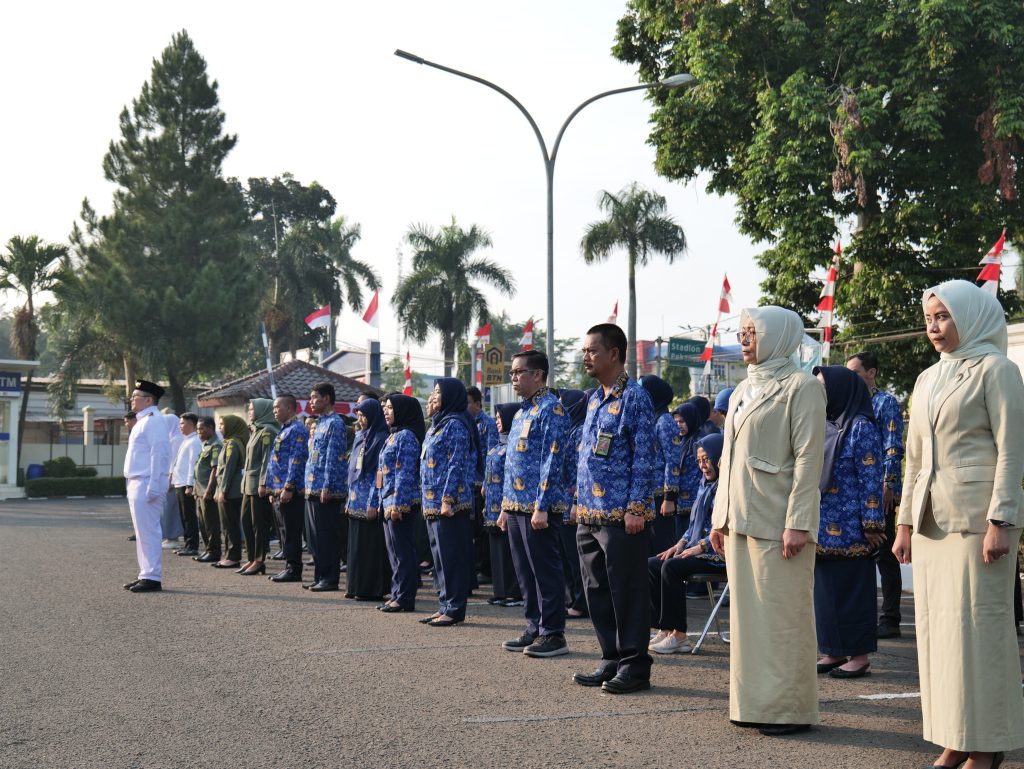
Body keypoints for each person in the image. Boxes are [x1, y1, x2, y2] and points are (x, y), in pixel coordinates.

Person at [892, 280, 1024, 769]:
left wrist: (1001, 520)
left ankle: (987, 745)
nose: (934, 327)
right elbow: (914, 459)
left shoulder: (998, 370)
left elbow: (1012, 450)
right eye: (929, 318)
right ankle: (955, 736)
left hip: (975, 523)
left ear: (969, 316)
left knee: (980, 635)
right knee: (940, 638)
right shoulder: (928, 378)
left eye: (943, 316)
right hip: (931, 525)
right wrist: (904, 523)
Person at [709, 306, 825, 737]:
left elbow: (809, 458)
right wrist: (719, 518)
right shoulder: (742, 390)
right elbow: (728, 459)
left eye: (751, 332)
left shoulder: (802, 386)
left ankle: (789, 710)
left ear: (776, 335)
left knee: (783, 618)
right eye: (740, 332)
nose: (743, 340)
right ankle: (753, 704)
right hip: (739, 518)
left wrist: (796, 521)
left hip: (780, 522)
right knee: (748, 620)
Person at [572, 323, 657, 694]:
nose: (586, 356)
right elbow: (588, 455)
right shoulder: (594, 398)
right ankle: (610, 658)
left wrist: (637, 507)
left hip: (622, 517)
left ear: (615, 354)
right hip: (590, 514)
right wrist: (578, 501)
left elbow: (644, 458)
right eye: (585, 350)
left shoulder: (636, 398)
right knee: (597, 589)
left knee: (628, 591)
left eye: (593, 350)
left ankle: (635, 665)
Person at [812, 365, 884, 679]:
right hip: (823, 527)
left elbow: (871, 478)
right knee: (826, 593)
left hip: (854, 529)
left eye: (822, 388)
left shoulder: (860, 427)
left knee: (853, 592)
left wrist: (872, 524)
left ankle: (859, 654)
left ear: (841, 390)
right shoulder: (825, 425)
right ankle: (834, 649)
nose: (818, 394)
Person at [498, 350, 570, 658]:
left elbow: (552, 461)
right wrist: (504, 505)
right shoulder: (520, 413)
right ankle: (534, 627)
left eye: (519, 372)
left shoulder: (551, 410)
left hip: (538, 507)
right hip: (515, 505)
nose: (513, 377)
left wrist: (542, 505)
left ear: (538, 374)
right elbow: (513, 462)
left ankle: (553, 633)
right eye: (512, 372)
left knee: (545, 571)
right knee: (525, 572)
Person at [845, 350, 906, 639]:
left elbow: (893, 447)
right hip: (854, 493)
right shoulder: (850, 403)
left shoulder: (886, 403)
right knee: (858, 555)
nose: (851, 378)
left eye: (856, 373)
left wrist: (888, 485)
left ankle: (890, 618)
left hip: (879, 492)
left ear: (872, 373)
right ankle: (862, 615)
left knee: (885, 554)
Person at [649, 433, 726, 654]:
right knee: (653, 564)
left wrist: (700, 546)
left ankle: (680, 635)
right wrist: (679, 545)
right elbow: (693, 525)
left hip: (717, 554)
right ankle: (665, 629)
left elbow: (723, 528)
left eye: (707, 459)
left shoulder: (727, 487)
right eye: (700, 461)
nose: (703, 465)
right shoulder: (704, 485)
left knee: (671, 567)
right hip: (698, 550)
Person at [419, 377, 479, 627]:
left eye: (437, 392)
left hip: (449, 504)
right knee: (440, 558)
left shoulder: (455, 425)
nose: (433, 397)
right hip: (432, 502)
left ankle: (454, 608)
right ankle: (444, 604)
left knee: (452, 558)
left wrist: (448, 499)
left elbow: (456, 464)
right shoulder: (437, 425)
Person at [372, 393, 425, 612]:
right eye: (385, 408)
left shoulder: (406, 437)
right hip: (387, 500)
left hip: (400, 503)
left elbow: (404, 473)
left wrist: (396, 503)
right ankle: (396, 594)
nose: (385, 411)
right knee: (393, 552)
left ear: (403, 411)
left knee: (403, 553)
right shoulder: (393, 435)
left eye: (391, 408)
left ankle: (404, 597)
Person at [122, 380, 172, 592]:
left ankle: (152, 577)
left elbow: (159, 454)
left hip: (146, 482)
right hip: (136, 481)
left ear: (149, 400)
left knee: (149, 532)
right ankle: (145, 573)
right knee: (142, 533)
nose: (132, 399)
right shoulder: (143, 421)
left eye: (136, 396)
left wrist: (155, 486)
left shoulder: (154, 421)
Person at [304, 382, 348, 592]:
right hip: (312, 486)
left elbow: (333, 458)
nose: (311, 402)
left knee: (326, 535)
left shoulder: (335, 424)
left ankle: (330, 578)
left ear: (327, 399)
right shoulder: (320, 423)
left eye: (314, 397)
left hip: (325, 488)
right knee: (314, 536)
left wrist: (327, 486)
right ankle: (319, 575)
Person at [346, 397, 391, 601]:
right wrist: (349, 500)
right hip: (355, 498)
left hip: (370, 500)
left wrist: (374, 502)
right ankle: (355, 586)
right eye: (359, 415)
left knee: (370, 547)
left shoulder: (381, 437)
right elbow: (352, 471)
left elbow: (378, 473)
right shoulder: (359, 437)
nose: (360, 419)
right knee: (355, 546)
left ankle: (371, 589)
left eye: (363, 415)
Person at [483, 402, 524, 608]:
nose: (497, 421)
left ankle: (514, 592)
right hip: (491, 505)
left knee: (510, 550)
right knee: (497, 549)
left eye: (500, 417)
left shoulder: (513, 445)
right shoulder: (498, 444)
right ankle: (500, 590)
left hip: (506, 504)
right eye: (496, 417)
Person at [265, 395, 308, 583]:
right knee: (283, 529)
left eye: (278, 407)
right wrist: (272, 489)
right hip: (278, 488)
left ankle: (294, 568)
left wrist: (289, 487)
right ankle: (288, 565)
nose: (275, 411)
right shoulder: (284, 430)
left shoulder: (297, 430)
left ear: (290, 408)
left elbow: (296, 460)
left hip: (290, 490)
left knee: (291, 530)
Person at [237, 398, 278, 576]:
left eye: (253, 409)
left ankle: (259, 560)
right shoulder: (256, 430)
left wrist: (263, 483)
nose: (250, 412)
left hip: (258, 485)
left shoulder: (267, 431)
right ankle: (252, 558)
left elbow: (267, 459)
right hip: (248, 484)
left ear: (262, 411)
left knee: (259, 524)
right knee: (246, 521)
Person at [640, 375, 682, 554]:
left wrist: (669, 498)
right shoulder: (651, 419)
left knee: (662, 547)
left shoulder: (665, 421)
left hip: (661, 498)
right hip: (649, 496)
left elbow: (672, 460)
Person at [558, 388, 588, 618]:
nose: (559, 405)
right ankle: (571, 599)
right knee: (566, 554)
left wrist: (576, 501)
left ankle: (581, 602)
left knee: (576, 556)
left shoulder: (581, 432)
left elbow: (581, 471)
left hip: (574, 502)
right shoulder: (568, 430)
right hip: (562, 502)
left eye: (562, 402)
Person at [468, 385, 498, 585]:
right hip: (468, 483)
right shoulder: (464, 422)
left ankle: (484, 569)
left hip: (481, 484)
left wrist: (487, 482)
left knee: (481, 529)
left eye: (467, 403)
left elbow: (491, 454)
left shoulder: (487, 424)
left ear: (478, 404)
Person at [213, 414, 248, 569]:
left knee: (230, 524)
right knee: (226, 524)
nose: (220, 428)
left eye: (222, 425)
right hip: (228, 489)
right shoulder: (229, 442)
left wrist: (223, 490)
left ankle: (233, 557)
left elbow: (228, 469)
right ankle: (228, 555)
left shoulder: (232, 444)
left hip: (231, 491)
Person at [191, 417, 222, 563]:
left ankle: (214, 551)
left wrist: (209, 490)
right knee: (202, 523)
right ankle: (208, 549)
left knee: (211, 523)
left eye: (201, 429)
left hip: (206, 491)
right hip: (200, 490)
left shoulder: (216, 446)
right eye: (197, 429)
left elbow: (215, 469)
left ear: (210, 428)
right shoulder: (207, 445)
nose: (199, 432)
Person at [171, 412, 201, 557]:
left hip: (185, 484)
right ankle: (188, 544)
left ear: (193, 425)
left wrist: (190, 484)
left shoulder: (194, 441)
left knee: (189, 516)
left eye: (183, 423)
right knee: (184, 516)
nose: (180, 426)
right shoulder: (186, 440)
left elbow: (192, 465)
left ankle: (192, 545)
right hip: (179, 482)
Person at [672, 401, 703, 541]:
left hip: (695, 502)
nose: (679, 425)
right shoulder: (677, 441)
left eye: (682, 421)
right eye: (676, 421)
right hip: (679, 505)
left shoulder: (700, 440)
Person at [160, 412, 185, 550]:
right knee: (168, 509)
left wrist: (169, 480)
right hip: (171, 479)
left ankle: (173, 537)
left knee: (170, 510)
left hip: (172, 480)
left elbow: (173, 462)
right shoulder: (173, 438)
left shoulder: (176, 439)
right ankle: (170, 536)